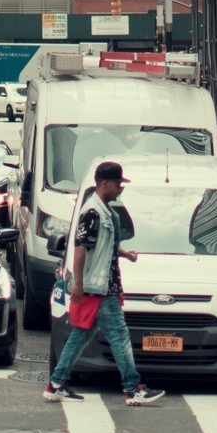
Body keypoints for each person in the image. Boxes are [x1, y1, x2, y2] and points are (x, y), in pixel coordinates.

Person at [45, 160, 166, 407]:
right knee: (119, 336)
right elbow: (81, 249)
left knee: (81, 335)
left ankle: (56, 383)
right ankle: (133, 388)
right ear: (104, 183)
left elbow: (100, 246)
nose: (121, 188)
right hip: (101, 289)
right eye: (118, 183)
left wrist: (123, 253)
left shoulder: (102, 211)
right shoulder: (92, 212)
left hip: (102, 286)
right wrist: (78, 284)